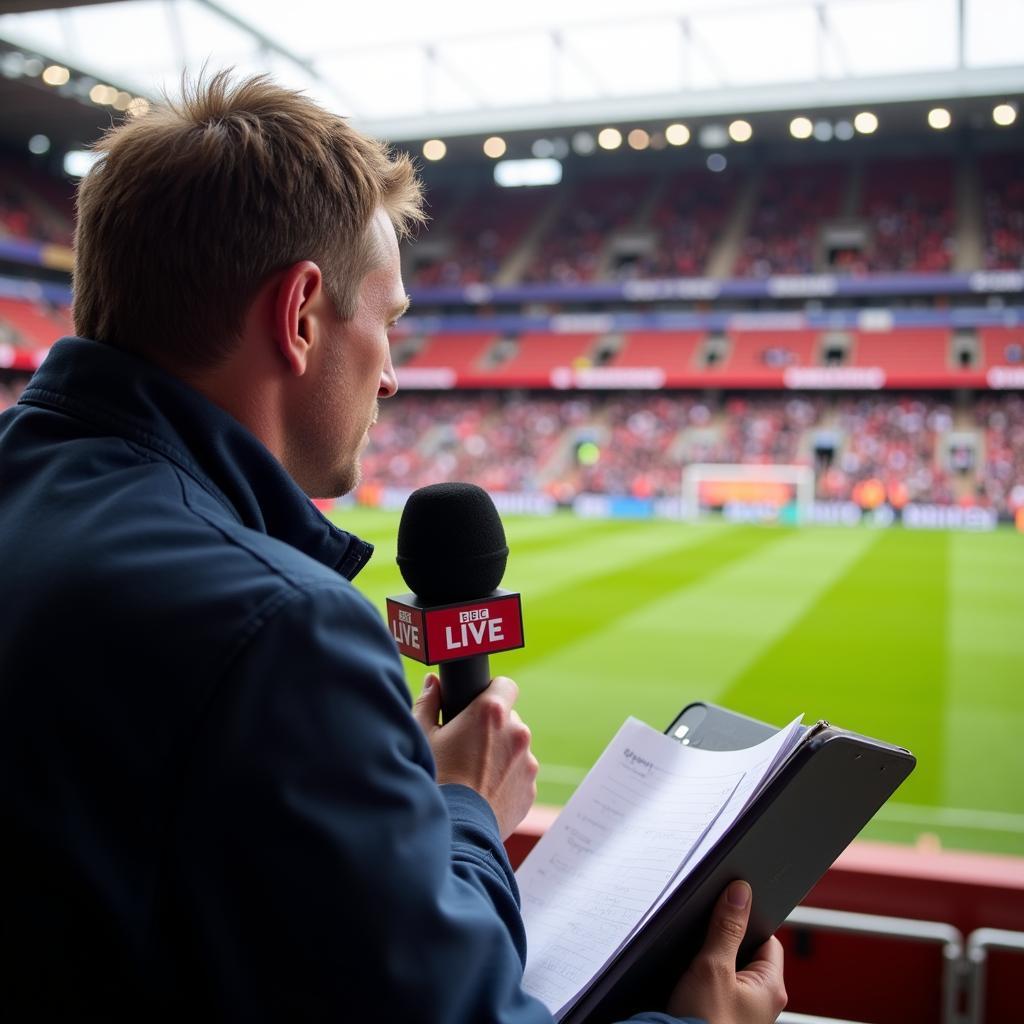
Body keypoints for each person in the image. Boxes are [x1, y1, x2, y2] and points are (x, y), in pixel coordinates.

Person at [0, 72, 786, 1023]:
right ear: (299, 316)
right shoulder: (281, 633)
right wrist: (460, 815)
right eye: (387, 319)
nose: (393, 377)